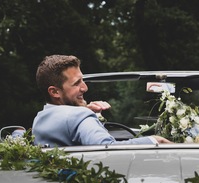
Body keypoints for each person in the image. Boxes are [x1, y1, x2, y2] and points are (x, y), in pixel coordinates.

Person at [32, 55, 171, 147]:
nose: (85, 88)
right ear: (54, 92)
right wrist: (154, 140)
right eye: (76, 83)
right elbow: (106, 149)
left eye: (83, 80)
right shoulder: (79, 117)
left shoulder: (39, 120)